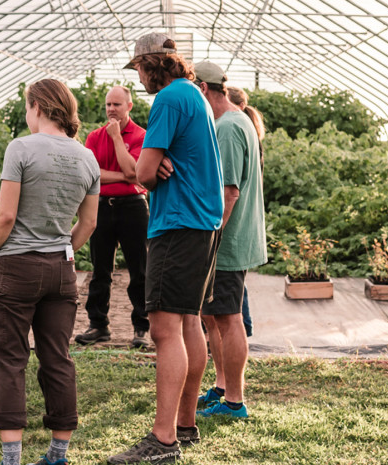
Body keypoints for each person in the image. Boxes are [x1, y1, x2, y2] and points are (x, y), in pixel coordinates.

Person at [108, 34, 223, 465]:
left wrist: (153, 166)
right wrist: (157, 163)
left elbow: (143, 173)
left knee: (163, 329)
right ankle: (186, 425)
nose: (137, 78)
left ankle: (163, 439)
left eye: (138, 68)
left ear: (154, 64)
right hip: (203, 224)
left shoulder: (169, 100)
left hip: (177, 224)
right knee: (189, 321)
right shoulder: (193, 95)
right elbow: (155, 166)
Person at [0, 79, 100, 465]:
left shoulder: (21, 148)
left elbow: (6, 214)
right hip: (61, 269)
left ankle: (12, 459)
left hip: (16, 266)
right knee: (57, 357)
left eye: (26, 107)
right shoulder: (87, 158)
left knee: (10, 359)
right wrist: (63, 248)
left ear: (37, 106)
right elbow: (88, 225)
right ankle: (58, 454)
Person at [193, 65, 267, 420]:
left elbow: (230, 192)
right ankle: (222, 387)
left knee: (228, 317)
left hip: (228, 241)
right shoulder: (237, 122)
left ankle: (234, 401)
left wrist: (210, 237)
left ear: (205, 89)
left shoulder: (228, 127)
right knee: (214, 315)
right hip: (230, 239)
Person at [76, 85, 151, 349]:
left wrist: (118, 138)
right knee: (100, 270)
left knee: (139, 270)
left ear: (129, 107)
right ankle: (98, 325)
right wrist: (125, 176)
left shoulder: (142, 135)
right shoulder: (94, 136)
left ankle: (141, 327)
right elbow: (91, 174)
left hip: (133, 206)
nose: (111, 110)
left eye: (117, 105)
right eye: (108, 104)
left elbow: (136, 172)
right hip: (101, 206)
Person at [224, 85, 263, 339]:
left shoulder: (231, 130)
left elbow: (231, 191)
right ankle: (244, 326)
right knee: (236, 292)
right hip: (246, 226)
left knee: (231, 308)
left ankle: (244, 327)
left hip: (234, 229)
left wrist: (214, 231)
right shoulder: (248, 129)